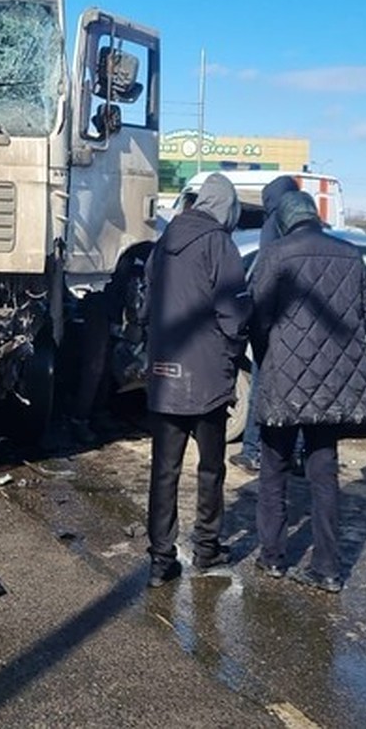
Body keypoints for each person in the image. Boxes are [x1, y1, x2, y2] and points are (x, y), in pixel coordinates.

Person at [249, 190, 366, 593]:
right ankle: (327, 569)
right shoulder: (350, 254)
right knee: (324, 474)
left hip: (283, 381)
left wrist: (268, 350)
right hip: (333, 386)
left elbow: (256, 314)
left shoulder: (275, 254)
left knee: (274, 470)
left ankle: (272, 558)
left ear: (286, 220)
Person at [141, 172, 251, 587]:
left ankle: (159, 560)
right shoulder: (219, 243)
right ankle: (206, 547)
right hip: (206, 377)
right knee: (210, 468)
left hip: (164, 374)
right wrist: (235, 344)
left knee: (164, 470)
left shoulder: (163, 243)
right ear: (225, 207)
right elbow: (233, 314)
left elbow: (145, 307)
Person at [232, 174, 299, 475]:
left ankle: (252, 450)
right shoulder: (300, 227)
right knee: (297, 392)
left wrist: (257, 329)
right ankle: (295, 454)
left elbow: (263, 276)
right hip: (300, 328)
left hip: (272, 325)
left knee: (260, 388)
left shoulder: (271, 227)